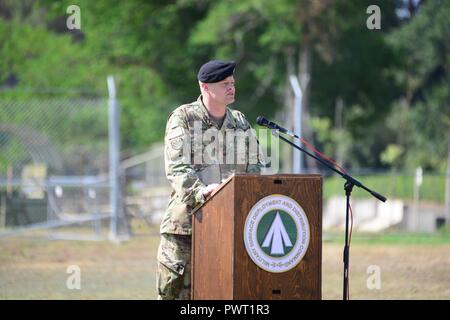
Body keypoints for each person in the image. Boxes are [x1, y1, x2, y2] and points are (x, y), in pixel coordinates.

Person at [156, 60, 264, 300]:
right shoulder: (183, 118)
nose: (231, 88)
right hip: (187, 228)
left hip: (229, 228)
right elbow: (177, 168)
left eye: (233, 83)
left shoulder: (240, 122)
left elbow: (255, 167)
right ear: (205, 87)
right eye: (225, 83)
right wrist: (202, 192)